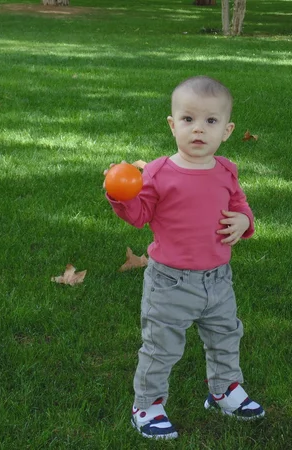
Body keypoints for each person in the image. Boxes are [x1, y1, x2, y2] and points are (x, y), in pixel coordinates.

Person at [105, 76, 265, 440]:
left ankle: (224, 391)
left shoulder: (226, 170)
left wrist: (245, 220)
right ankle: (147, 405)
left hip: (218, 279)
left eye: (211, 121)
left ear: (227, 130)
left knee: (226, 336)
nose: (199, 129)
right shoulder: (160, 171)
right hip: (170, 283)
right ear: (172, 124)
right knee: (162, 347)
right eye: (188, 119)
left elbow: (238, 204)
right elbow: (140, 214)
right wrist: (122, 195)